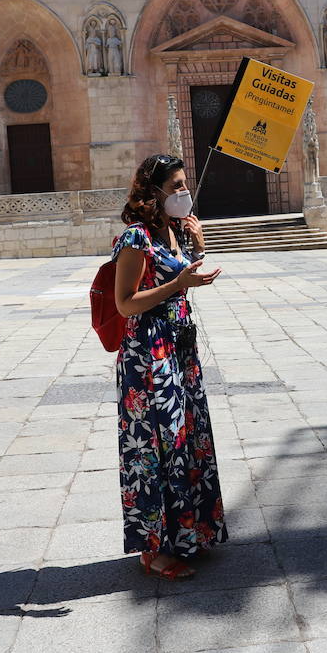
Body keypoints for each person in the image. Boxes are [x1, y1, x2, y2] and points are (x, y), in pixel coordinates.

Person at [113, 153, 226, 580]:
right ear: (152, 191)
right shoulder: (135, 239)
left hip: (179, 348)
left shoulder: (175, 231)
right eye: (175, 185)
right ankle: (152, 549)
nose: (183, 192)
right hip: (148, 356)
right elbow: (126, 303)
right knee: (154, 448)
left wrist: (197, 248)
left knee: (184, 440)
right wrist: (178, 283)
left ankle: (188, 534)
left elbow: (180, 282)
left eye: (184, 184)